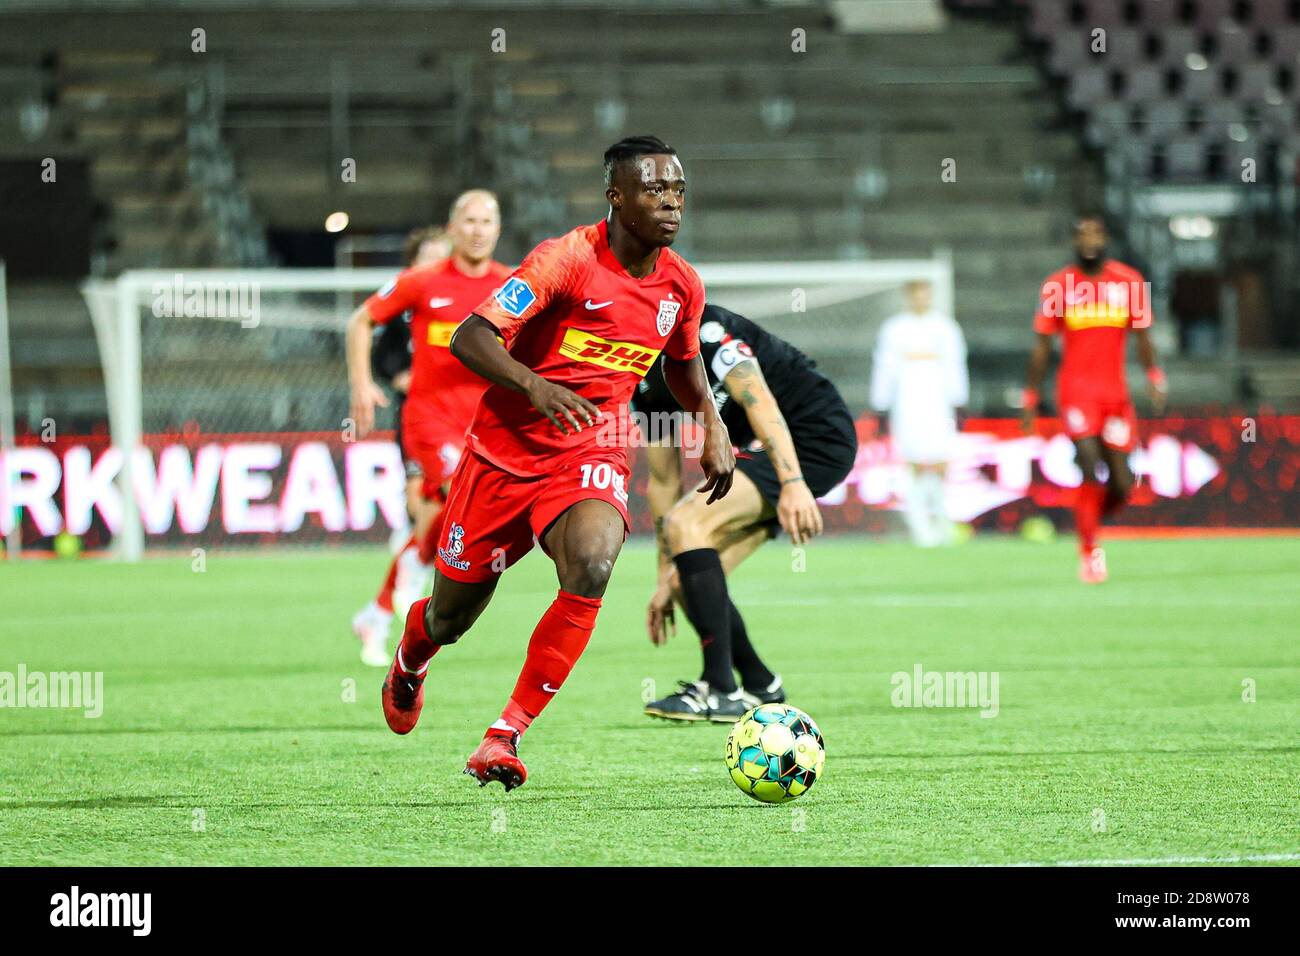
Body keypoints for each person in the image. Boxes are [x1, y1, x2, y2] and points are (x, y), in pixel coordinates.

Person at [370, 136, 736, 790]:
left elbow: (682, 364)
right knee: (450, 618)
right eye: (654, 190)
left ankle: (503, 736)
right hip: (501, 456)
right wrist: (535, 385)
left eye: (678, 190)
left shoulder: (681, 284)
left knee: (593, 563)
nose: (671, 202)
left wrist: (709, 421)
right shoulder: (563, 261)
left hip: (591, 447)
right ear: (616, 197)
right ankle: (409, 660)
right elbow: (469, 336)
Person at [638, 305, 857, 721]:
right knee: (686, 576)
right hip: (762, 452)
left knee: (690, 523)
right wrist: (663, 575)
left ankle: (721, 689)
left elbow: (763, 406)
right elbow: (664, 482)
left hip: (813, 439)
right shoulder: (641, 375)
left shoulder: (707, 333)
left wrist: (793, 485)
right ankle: (761, 685)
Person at [346, 193, 510, 665]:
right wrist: (361, 384)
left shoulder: (511, 285)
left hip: (482, 422)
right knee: (453, 491)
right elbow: (361, 322)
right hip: (429, 416)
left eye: (486, 221)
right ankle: (415, 570)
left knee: (453, 517)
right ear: (453, 228)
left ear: (497, 229)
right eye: (469, 221)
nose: (478, 229)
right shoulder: (422, 282)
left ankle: (378, 612)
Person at [1023, 212, 1167, 583]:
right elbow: (1042, 347)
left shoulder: (1129, 283)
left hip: (1115, 396)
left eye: (1096, 234)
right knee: (1088, 462)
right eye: (1082, 235)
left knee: (1123, 483)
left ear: (1105, 238)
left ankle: (1088, 519)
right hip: (1075, 393)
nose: (1089, 241)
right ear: (1074, 241)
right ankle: (1090, 553)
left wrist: (1154, 376)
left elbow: (1143, 338)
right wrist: (1030, 396)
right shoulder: (1058, 286)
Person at [370, 227, 451, 557]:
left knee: (450, 488)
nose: (434, 263)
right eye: (427, 257)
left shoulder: (466, 297)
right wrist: (397, 375)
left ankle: (425, 548)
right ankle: (416, 544)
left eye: (440, 256)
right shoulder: (404, 301)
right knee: (419, 484)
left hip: (460, 410)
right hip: (418, 409)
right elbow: (381, 352)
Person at [870, 280, 968, 547]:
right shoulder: (894, 329)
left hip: (939, 403)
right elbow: (884, 368)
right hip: (907, 404)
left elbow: (956, 365)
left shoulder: (946, 328)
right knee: (912, 462)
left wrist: (960, 401)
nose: (920, 299)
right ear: (908, 297)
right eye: (916, 295)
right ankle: (919, 524)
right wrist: (880, 405)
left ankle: (941, 518)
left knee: (940, 462)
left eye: (925, 294)